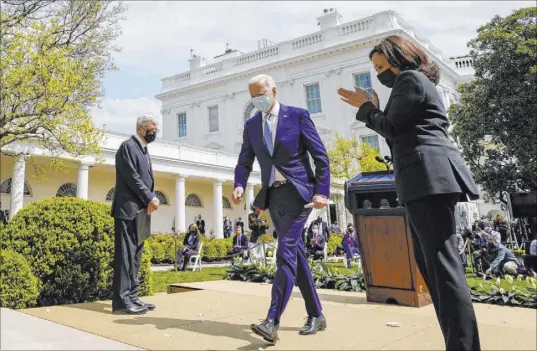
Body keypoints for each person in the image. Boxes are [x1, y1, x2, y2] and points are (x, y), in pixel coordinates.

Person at [337, 35, 481, 350]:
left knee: (443, 268)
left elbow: (390, 127)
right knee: (433, 267)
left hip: (428, 178)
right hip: (423, 180)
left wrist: (366, 108)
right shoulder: (411, 83)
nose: (378, 74)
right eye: (374, 68)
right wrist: (373, 108)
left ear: (400, 58)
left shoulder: (410, 79)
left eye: (380, 66)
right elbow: (397, 130)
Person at [232, 74, 330, 343]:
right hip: (274, 198)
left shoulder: (297, 116)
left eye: (261, 94)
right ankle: (317, 314)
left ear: (273, 91)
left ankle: (272, 321)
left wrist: (322, 191)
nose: (257, 100)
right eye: (252, 97)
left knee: (285, 254)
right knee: (295, 255)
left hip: (299, 195)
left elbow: (320, 156)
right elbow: (244, 161)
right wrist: (239, 184)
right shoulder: (252, 125)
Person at [110, 114, 159, 315]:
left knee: (135, 257)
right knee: (125, 256)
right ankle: (121, 302)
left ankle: (131, 296)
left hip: (140, 212)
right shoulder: (127, 147)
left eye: (156, 128)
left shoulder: (143, 149)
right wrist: (150, 197)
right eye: (151, 127)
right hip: (127, 210)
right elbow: (132, 177)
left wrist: (148, 200)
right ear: (140, 128)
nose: (155, 131)